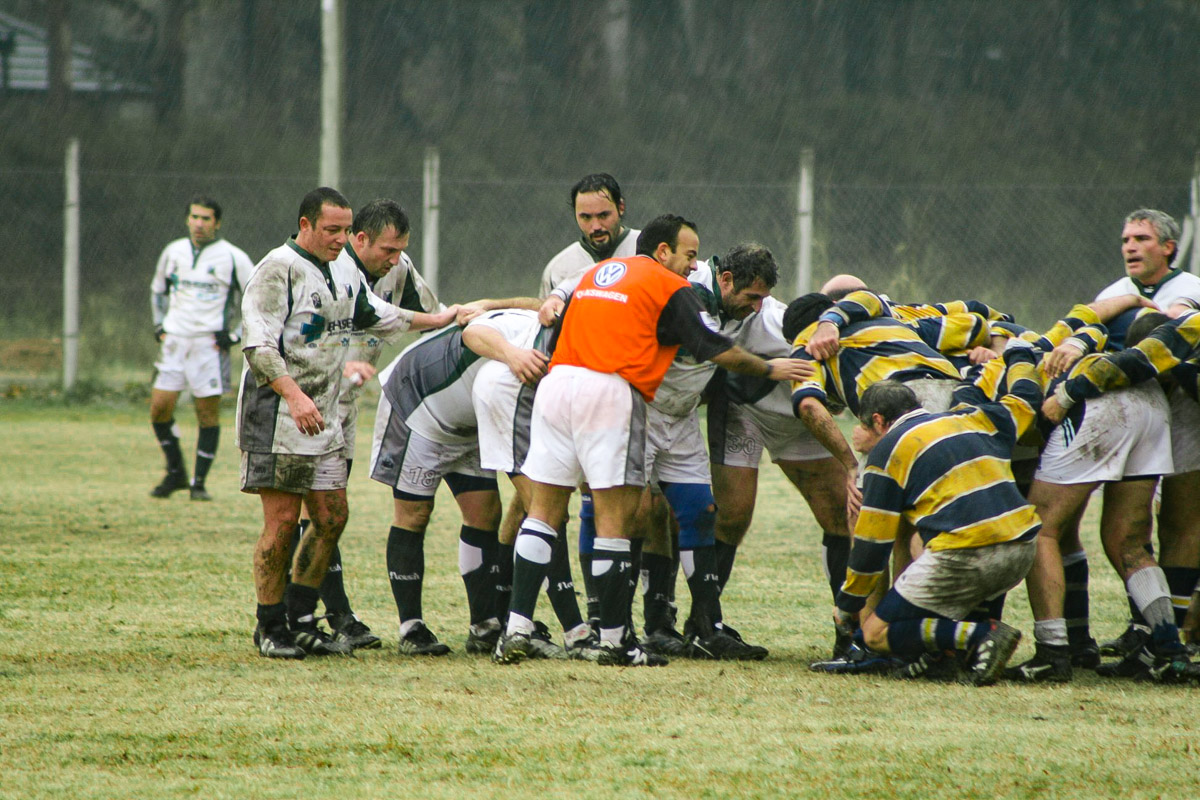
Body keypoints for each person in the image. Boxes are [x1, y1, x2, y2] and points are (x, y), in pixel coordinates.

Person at [493, 214, 812, 666]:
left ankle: (516, 630)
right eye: (688, 254)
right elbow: (707, 344)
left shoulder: (606, 271)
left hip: (560, 382)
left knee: (543, 512)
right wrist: (770, 368)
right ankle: (614, 637)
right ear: (662, 252)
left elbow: (565, 293)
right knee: (617, 516)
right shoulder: (670, 286)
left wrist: (555, 299)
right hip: (615, 393)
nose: (692, 263)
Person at [236, 187, 458, 660]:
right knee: (280, 524)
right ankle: (270, 625)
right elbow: (258, 347)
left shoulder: (342, 270)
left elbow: (373, 315)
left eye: (344, 230)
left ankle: (301, 619)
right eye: (331, 230)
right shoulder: (277, 269)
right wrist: (294, 397)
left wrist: (441, 318)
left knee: (332, 516)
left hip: (327, 417)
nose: (340, 239)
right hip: (279, 415)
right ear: (305, 225)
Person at [820, 343, 1045, 686]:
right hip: (1023, 546)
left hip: (967, 555)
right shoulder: (974, 418)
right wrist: (1019, 356)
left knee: (876, 633)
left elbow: (871, 545)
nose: (858, 432)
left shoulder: (888, 450)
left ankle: (981, 635)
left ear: (877, 421)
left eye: (862, 425)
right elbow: (1025, 399)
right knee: (917, 540)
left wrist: (848, 605)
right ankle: (947, 656)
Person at [370, 306, 575, 659]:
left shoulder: (566, 355)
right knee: (413, 514)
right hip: (417, 404)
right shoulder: (527, 333)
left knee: (485, 514)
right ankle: (410, 627)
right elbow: (472, 333)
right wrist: (512, 355)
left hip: (470, 423)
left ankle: (485, 625)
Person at [287, 198, 443, 651]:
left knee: (330, 514)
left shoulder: (399, 269)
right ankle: (326, 616)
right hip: (306, 405)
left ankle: (330, 616)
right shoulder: (325, 272)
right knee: (313, 513)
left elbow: (430, 318)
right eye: (388, 251)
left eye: (400, 250)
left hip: (346, 407)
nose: (395, 260)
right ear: (360, 240)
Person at [1086, 209, 1200, 660]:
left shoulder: (1190, 288)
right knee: (1125, 531)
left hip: (1187, 415)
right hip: (1141, 416)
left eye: (1141, 238)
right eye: (1125, 238)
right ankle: (1149, 625)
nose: (1129, 246)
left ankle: (1171, 632)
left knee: (1182, 523)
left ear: (1168, 248)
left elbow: (1181, 325)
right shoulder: (1114, 294)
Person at [532, 173, 644, 630]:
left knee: (643, 509)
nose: (596, 225)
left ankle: (652, 616)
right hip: (587, 399)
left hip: (641, 392)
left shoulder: (649, 248)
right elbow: (549, 331)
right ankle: (603, 611)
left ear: (622, 207)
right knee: (593, 501)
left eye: (604, 214)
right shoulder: (561, 266)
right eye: (585, 216)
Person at [149, 195, 255, 501]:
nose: (199, 223)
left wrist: (235, 336)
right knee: (159, 409)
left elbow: (256, 298)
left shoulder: (233, 257)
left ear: (217, 223)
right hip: (175, 342)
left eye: (206, 218)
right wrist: (159, 327)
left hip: (208, 346)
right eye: (194, 217)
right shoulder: (173, 252)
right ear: (187, 219)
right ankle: (176, 472)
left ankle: (198, 483)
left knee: (206, 413)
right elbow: (158, 291)